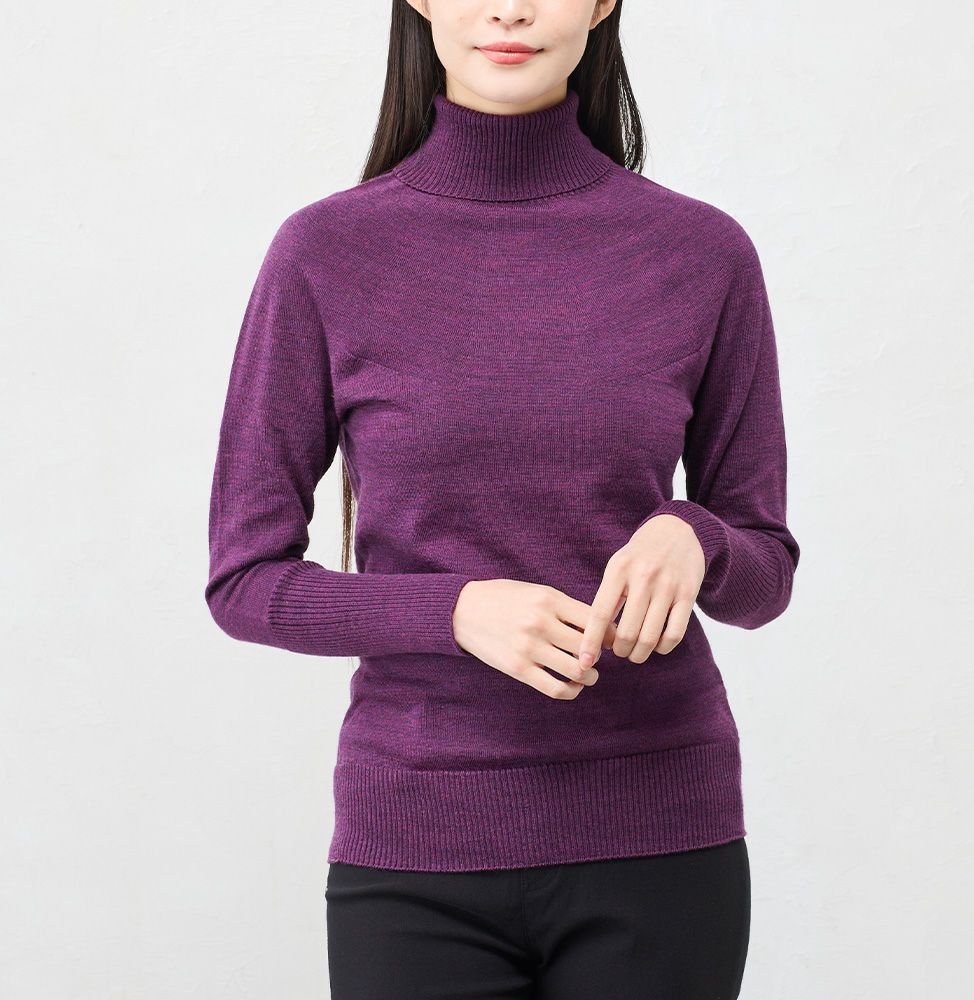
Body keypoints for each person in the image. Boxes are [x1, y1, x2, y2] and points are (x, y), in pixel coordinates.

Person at [204, 1, 801, 996]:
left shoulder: (701, 254)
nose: (511, 6)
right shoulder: (324, 254)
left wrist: (697, 539)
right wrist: (453, 611)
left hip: (659, 840)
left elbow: (764, 570)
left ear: (603, 2)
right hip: (416, 850)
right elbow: (244, 581)